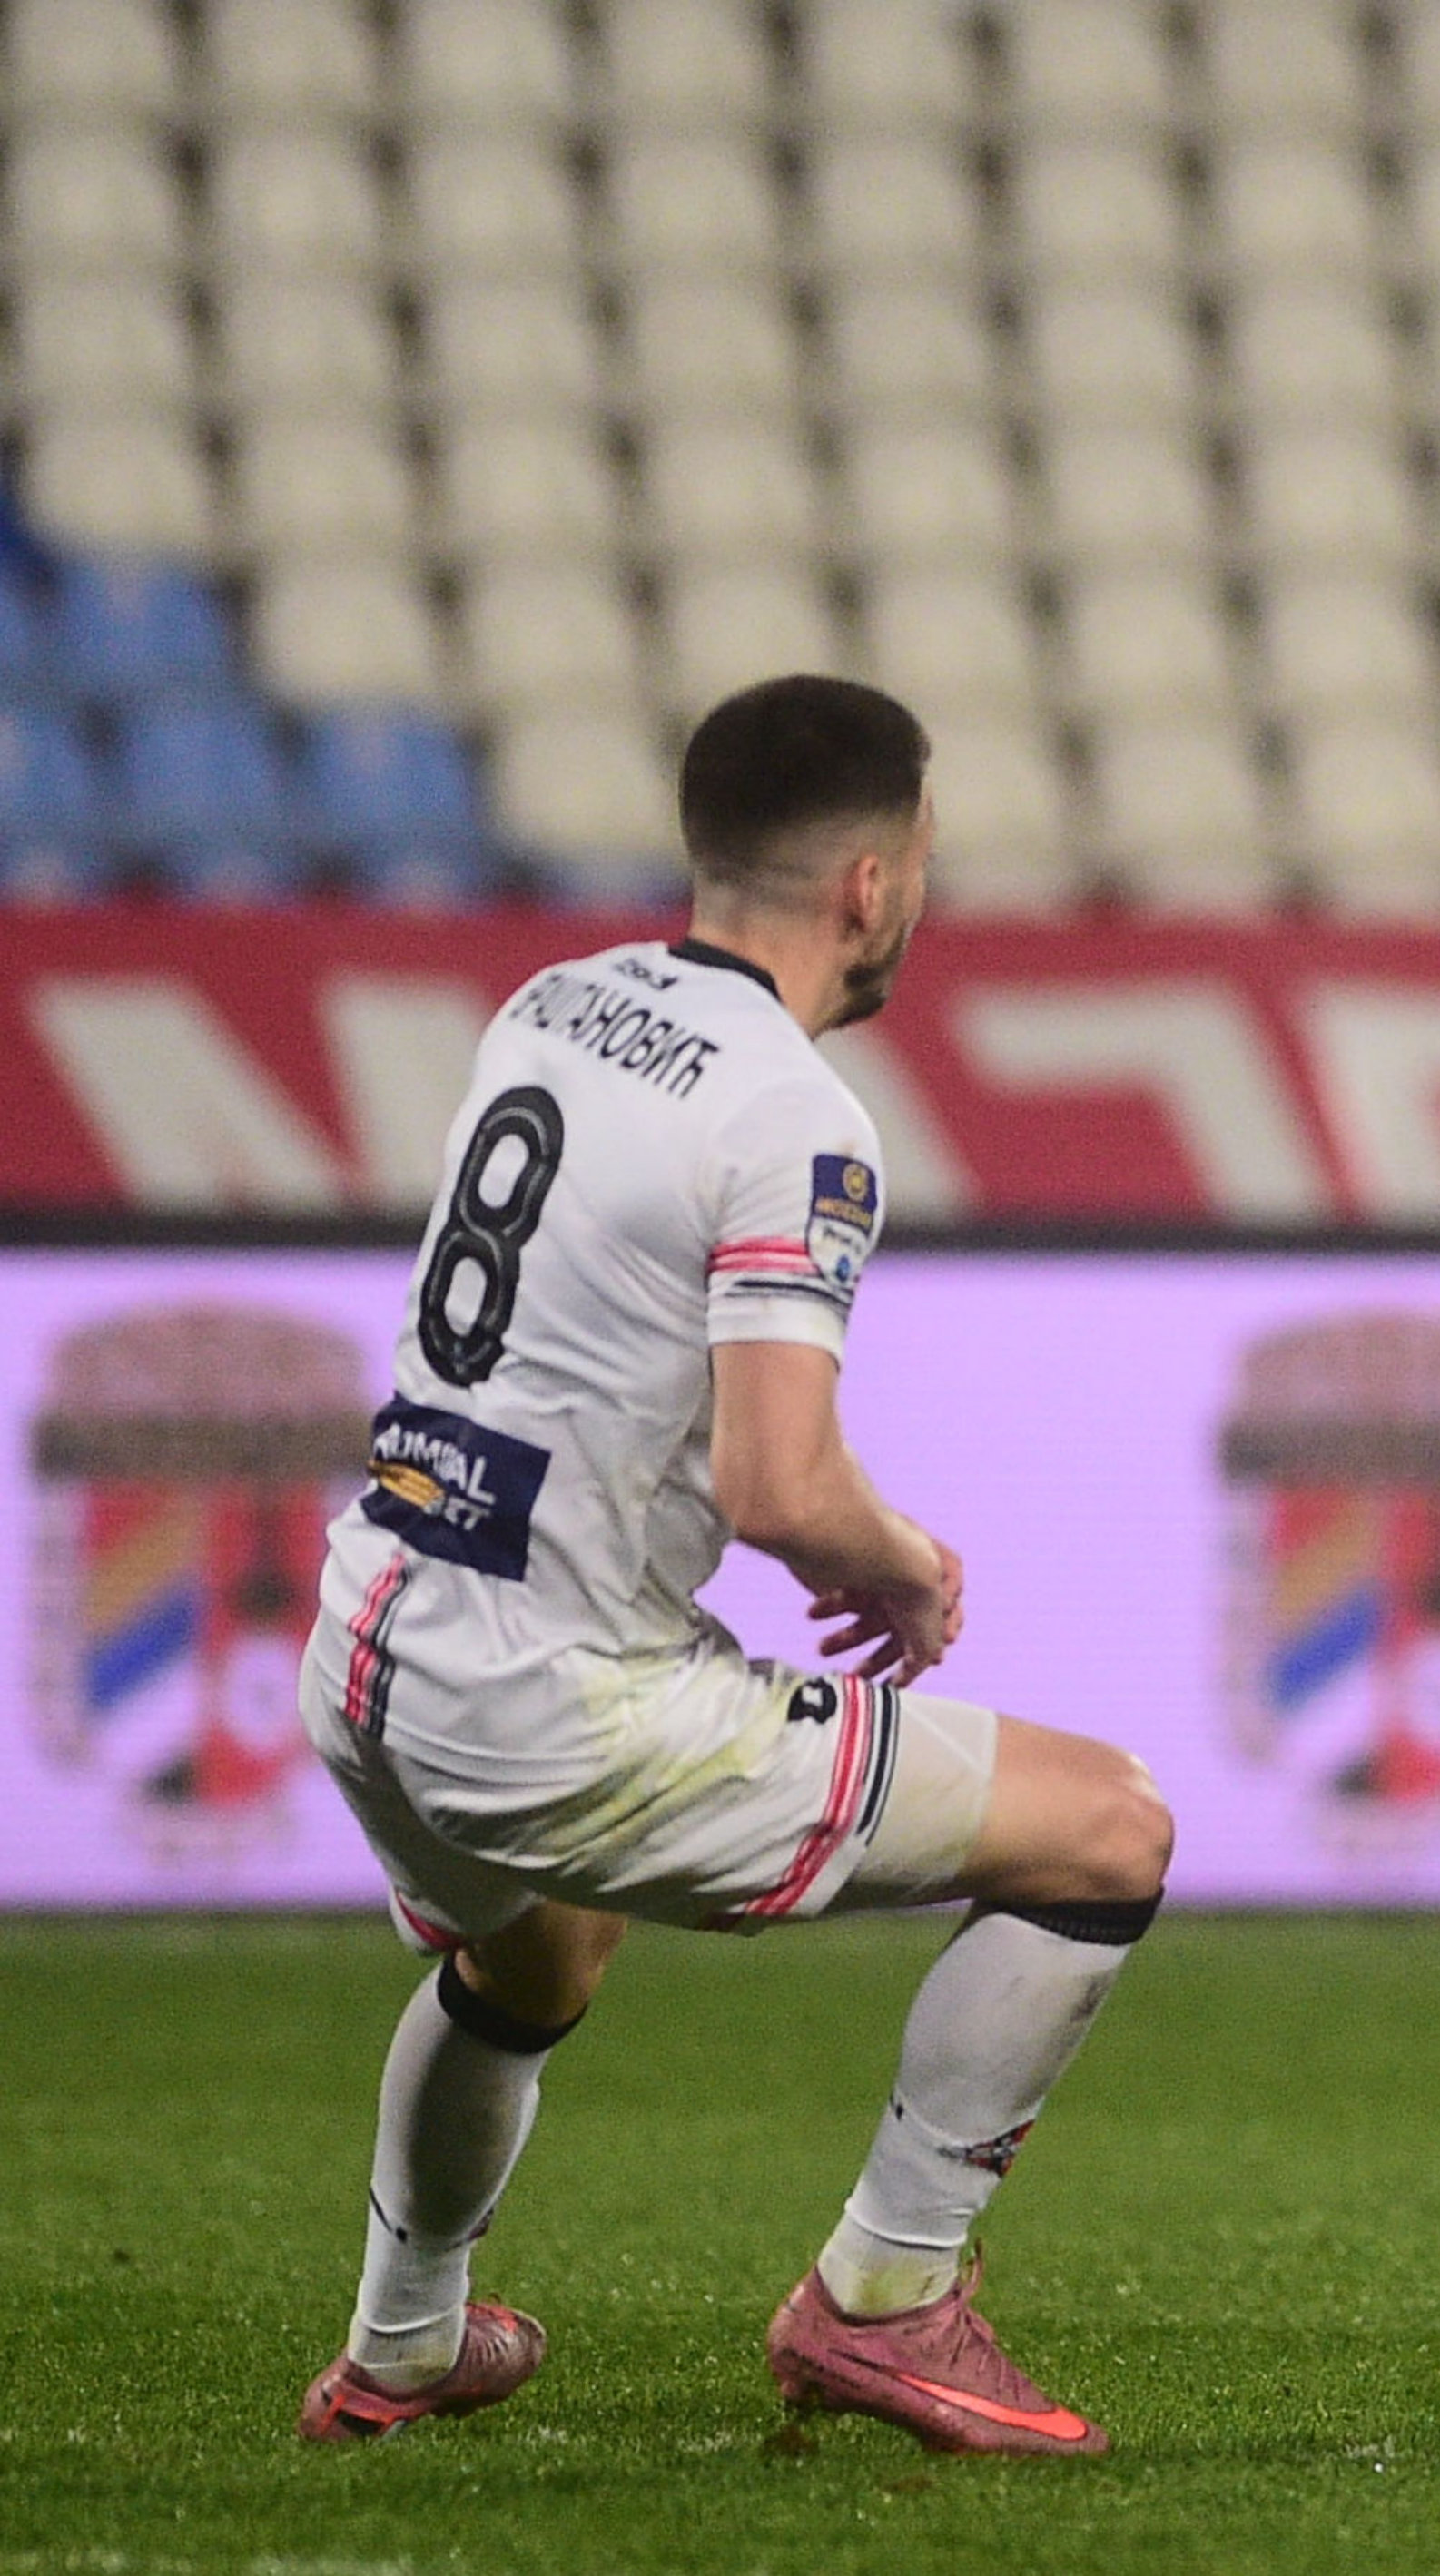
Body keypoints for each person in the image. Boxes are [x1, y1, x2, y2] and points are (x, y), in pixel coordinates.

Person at [291, 677, 1174, 2455]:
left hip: (371, 1628)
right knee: (1109, 1833)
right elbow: (780, 1483)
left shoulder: (552, 1001)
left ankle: (397, 2356)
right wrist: (907, 1567)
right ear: (868, 882)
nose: (924, 888)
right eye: (922, 854)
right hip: (547, 1702)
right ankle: (885, 2295)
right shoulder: (798, 1119)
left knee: (534, 1964)